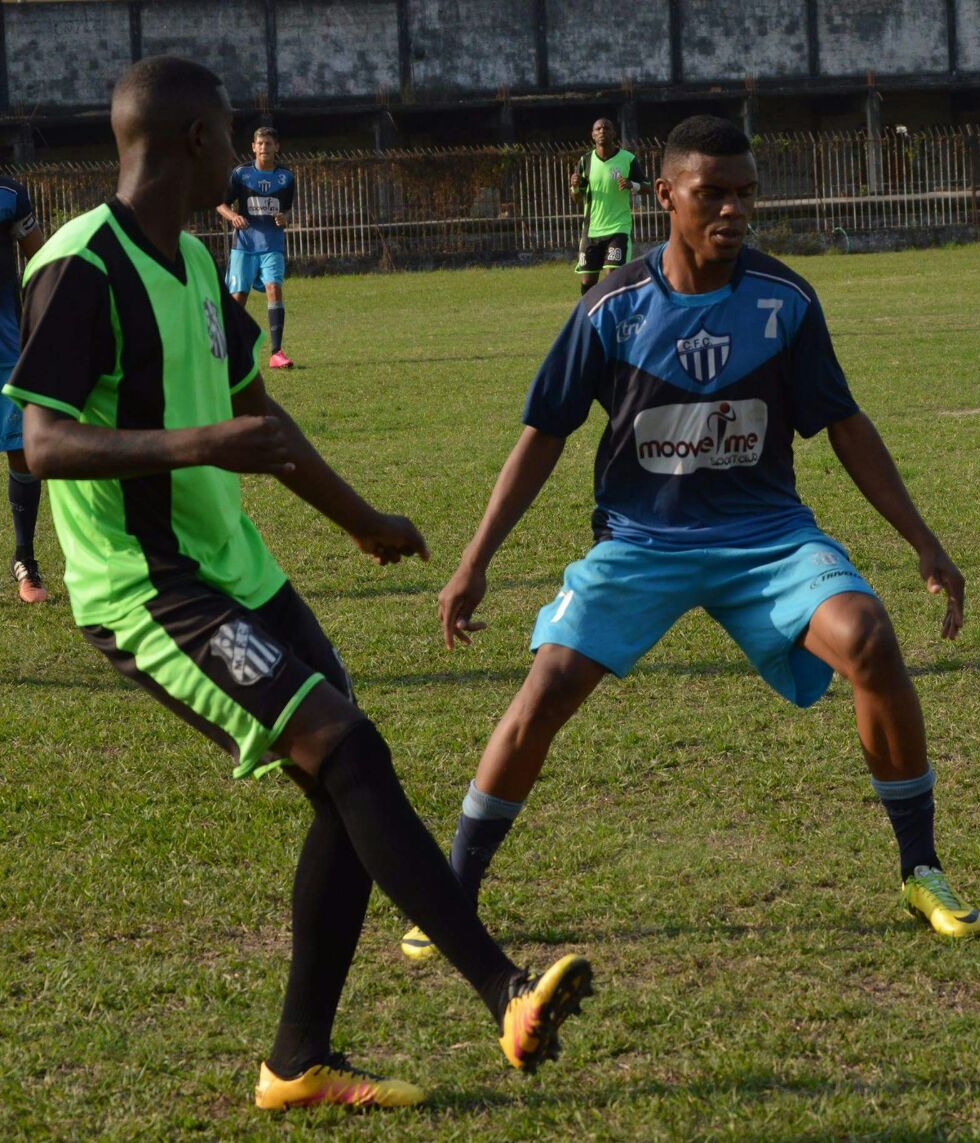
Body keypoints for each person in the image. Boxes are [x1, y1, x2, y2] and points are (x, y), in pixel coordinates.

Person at [4, 55, 592, 1112]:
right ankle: (502, 989)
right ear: (193, 143)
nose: (240, 153)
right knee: (348, 750)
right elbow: (40, 444)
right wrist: (195, 445)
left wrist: (362, 521)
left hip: (239, 571)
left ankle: (295, 1064)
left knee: (345, 787)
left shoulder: (191, 261)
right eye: (230, 135)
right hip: (147, 589)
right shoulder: (80, 263)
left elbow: (260, 427)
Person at [401, 114, 980, 963]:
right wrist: (473, 562)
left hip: (767, 538)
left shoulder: (785, 302)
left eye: (745, 193)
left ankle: (921, 867)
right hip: (642, 541)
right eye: (712, 193)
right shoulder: (611, 309)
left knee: (869, 638)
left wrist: (924, 542)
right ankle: (453, 888)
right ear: (664, 195)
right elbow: (543, 434)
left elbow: (845, 425)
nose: (733, 210)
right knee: (547, 687)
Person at [0, 177, 48, 602]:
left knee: (21, 449)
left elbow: (44, 261)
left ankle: (24, 559)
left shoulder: (9, 195)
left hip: (6, 345)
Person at [217, 126, 294, 369]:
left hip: (272, 245)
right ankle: (227, 351)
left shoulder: (286, 178)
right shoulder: (241, 175)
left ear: (276, 147)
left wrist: (284, 219)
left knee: (274, 289)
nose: (264, 148)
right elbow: (220, 203)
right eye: (260, 144)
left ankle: (276, 352)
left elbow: (285, 210)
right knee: (238, 297)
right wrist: (232, 217)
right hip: (244, 245)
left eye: (269, 144)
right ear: (253, 147)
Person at [569, 117, 651, 295]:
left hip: (618, 228)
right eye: (597, 129)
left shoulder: (628, 159)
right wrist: (575, 186)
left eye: (606, 128)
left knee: (613, 277)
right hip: (591, 230)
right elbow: (576, 198)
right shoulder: (585, 161)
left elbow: (648, 187)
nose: (602, 131)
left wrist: (632, 185)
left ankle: (615, 318)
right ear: (592, 135)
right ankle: (591, 318)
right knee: (588, 282)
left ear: (614, 133)